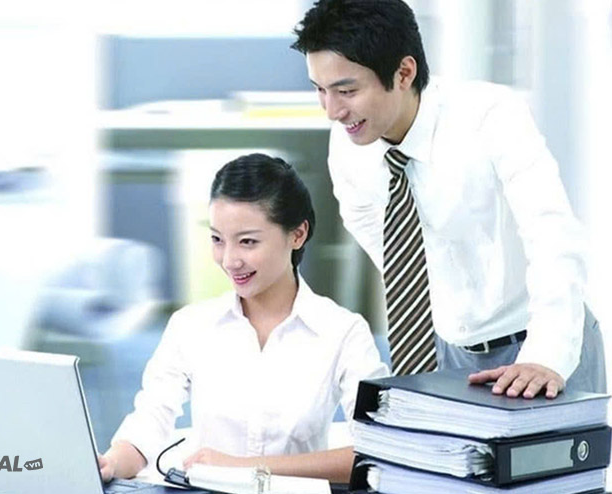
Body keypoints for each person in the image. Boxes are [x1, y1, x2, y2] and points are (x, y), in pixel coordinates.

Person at [291, 0, 605, 398]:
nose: (332, 111)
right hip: (448, 353)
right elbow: (369, 226)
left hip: (540, 342)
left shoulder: (490, 115)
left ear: (404, 73)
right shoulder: (350, 143)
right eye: (320, 90)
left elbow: (552, 234)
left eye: (346, 90)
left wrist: (547, 354)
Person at [98, 153, 389, 483]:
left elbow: (379, 453)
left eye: (248, 241)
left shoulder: (342, 332)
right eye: (217, 239)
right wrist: (111, 463)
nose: (229, 260)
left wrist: (246, 466)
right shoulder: (190, 325)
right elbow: (149, 423)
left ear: (297, 235)